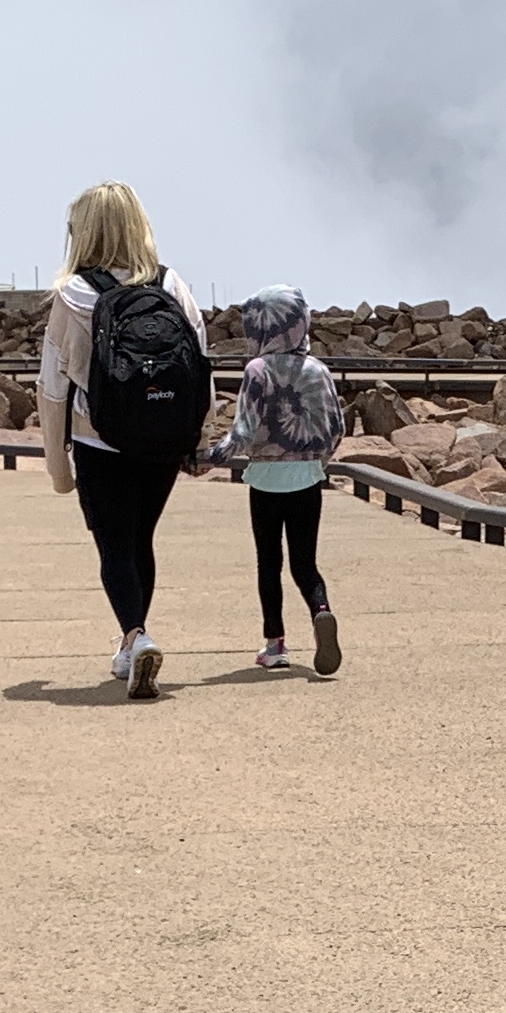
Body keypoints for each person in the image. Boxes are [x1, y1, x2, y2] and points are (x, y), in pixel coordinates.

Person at [36, 183, 209, 698]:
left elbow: (52, 389)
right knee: (141, 541)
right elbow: (201, 365)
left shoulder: (73, 294)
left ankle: (135, 637)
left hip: (101, 441)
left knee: (114, 545)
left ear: (85, 232)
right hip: (162, 440)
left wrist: (57, 468)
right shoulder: (171, 284)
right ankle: (130, 644)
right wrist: (194, 439)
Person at [217, 286, 346, 675]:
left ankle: (275, 645)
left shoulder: (257, 371)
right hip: (307, 477)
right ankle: (321, 610)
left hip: (265, 481)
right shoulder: (318, 370)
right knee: (305, 563)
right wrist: (316, 460)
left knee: (269, 562)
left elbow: (242, 430)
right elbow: (335, 428)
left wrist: (211, 457)